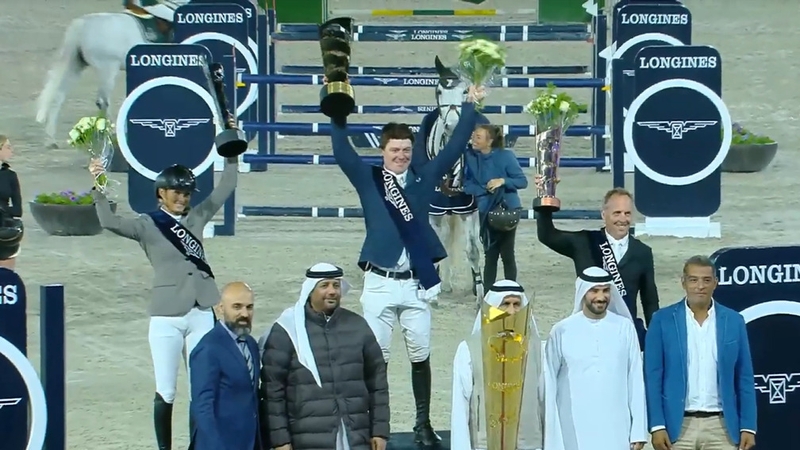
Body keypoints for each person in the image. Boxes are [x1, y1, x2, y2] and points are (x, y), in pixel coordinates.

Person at [330, 76, 484, 444]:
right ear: (382, 150)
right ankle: (375, 426)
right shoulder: (368, 179)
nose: (400, 155)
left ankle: (422, 423)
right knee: (376, 358)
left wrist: (470, 105)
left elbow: (455, 146)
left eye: (405, 149)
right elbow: (342, 152)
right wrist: (337, 112)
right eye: (394, 150)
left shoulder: (424, 176)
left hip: (416, 283)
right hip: (380, 283)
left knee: (420, 355)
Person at [89, 156, 238, 450]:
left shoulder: (197, 217)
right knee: (166, 390)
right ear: (161, 193)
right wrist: (98, 184)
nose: (182, 199)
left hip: (201, 312)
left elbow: (226, 186)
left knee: (202, 390)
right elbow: (108, 221)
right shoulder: (146, 225)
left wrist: (231, 154)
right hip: (167, 316)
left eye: (186, 194)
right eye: (177, 193)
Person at [260, 263, 390, 450]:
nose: (332, 291)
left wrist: (379, 430)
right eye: (324, 285)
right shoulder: (287, 330)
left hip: (355, 436)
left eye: (336, 285)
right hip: (306, 439)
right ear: (310, 290)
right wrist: (280, 440)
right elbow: (273, 391)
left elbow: (377, 382)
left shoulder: (358, 326)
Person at [644, 255, 757, 450]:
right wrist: (657, 426)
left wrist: (748, 426)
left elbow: (744, 377)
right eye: (693, 280)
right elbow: (652, 377)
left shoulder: (734, 321)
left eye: (706, 280)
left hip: (722, 427)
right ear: (683, 282)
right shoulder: (662, 320)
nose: (700, 286)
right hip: (677, 428)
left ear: (715, 283)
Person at [536, 186, 659, 348]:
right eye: (617, 213)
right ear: (603, 215)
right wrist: (546, 196)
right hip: (587, 330)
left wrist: (657, 338)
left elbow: (650, 301)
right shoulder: (584, 242)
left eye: (627, 213)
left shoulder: (642, 252)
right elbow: (547, 235)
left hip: (625, 333)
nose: (623, 219)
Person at [543, 266, 648, 450]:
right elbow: (548, 383)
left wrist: (638, 431)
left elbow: (635, 380)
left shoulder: (624, 327)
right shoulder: (561, 330)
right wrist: (552, 435)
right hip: (572, 429)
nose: (601, 297)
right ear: (583, 292)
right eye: (594, 291)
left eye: (606, 290)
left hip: (616, 430)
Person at [450, 280, 543, 450]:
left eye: (517, 304)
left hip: (528, 444)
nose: (511, 311)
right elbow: (460, 407)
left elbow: (545, 403)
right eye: (505, 304)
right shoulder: (470, 349)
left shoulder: (537, 349)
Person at [189, 282, 261, 450]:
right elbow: (202, 406)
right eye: (237, 307)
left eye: (249, 307)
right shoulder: (208, 348)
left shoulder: (251, 344)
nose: (245, 314)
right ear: (220, 308)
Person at [464, 125, 527, 287]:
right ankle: (488, 295)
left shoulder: (506, 156)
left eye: (478, 137)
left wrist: (502, 181)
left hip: (508, 210)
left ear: (490, 141)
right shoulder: (471, 158)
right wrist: (484, 189)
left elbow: (522, 181)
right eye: (473, 136)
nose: (473, 140)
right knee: (490, 256)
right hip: (486, 211)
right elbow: (467, 185)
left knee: (507, 254)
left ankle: (511, 290)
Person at [0, 136, 22, 219]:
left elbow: (18, 211)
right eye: (7, 147)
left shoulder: (10, 175)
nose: (11, 151)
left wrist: (2, 209)